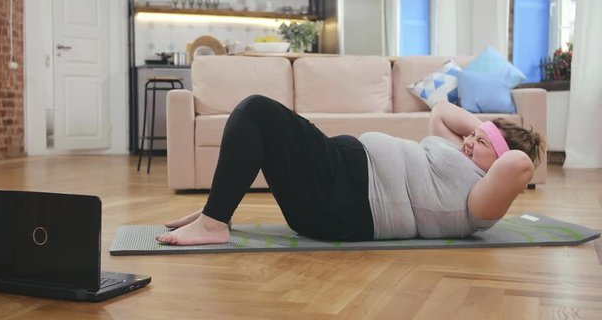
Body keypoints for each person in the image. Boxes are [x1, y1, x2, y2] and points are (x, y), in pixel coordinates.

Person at [155, 95, 544, 245]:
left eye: (481, 143)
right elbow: (442, 109)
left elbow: (518, 163)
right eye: (471, 135)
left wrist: (504, 138)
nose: (469, 140)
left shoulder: (481, 203)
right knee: (257, 122)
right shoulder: (456, 155)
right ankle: (216, 210)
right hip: (337, 180)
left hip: (346, 202)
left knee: (255, 111)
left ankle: (214, 223)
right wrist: (483, 132)